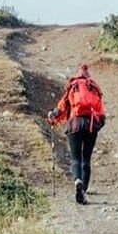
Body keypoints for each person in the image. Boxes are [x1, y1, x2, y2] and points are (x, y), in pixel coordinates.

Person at [47, 64, 106, 205]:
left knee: (75, 158)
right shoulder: (94, 88)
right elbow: (102, 114)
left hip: (74, 125)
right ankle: (83, 191)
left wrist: (52, 117)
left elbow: (61, 108)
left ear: (77, 75)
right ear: (88, 76)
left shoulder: (73, 87)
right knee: (86, 159)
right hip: (90, 126)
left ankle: (77, 181)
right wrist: (97, 127)